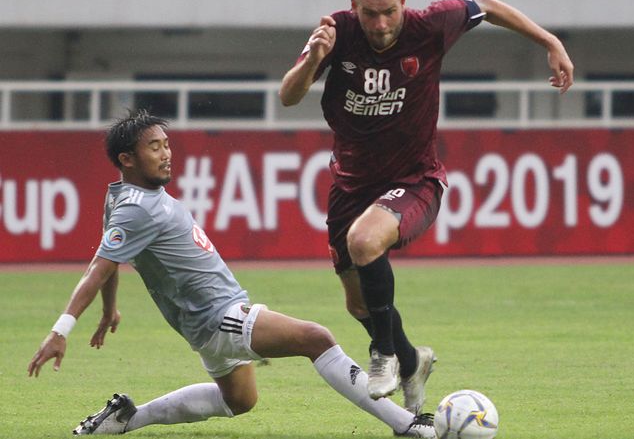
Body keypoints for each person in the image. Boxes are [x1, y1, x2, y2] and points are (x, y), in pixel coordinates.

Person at [26, 110, 435, 438]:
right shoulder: (136, 208)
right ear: (126, 159)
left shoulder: (121, 198)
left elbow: (110, 257)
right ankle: (406, 424)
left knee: (240, 401)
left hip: (205, 321)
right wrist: (61, 329)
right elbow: (101, 265)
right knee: (317, 339)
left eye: (166, 145)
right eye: (154, 147)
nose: (166, 154)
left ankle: (129, 418)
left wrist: (109, 309)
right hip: (218, 315)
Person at [279, 0, 574, 413]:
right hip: (349, 186)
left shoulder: (430, 25)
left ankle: (384, 355)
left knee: (365, 241)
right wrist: (312, 60)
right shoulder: (335, 33)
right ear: (354, 6)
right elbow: (288, 95)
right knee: (358, 303)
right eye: (369, 13)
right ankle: (412, 360)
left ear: (403, 2)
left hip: (415, 180)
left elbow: (485, 4)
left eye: (388, 12)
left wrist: (550, 40)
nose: (379, 25)